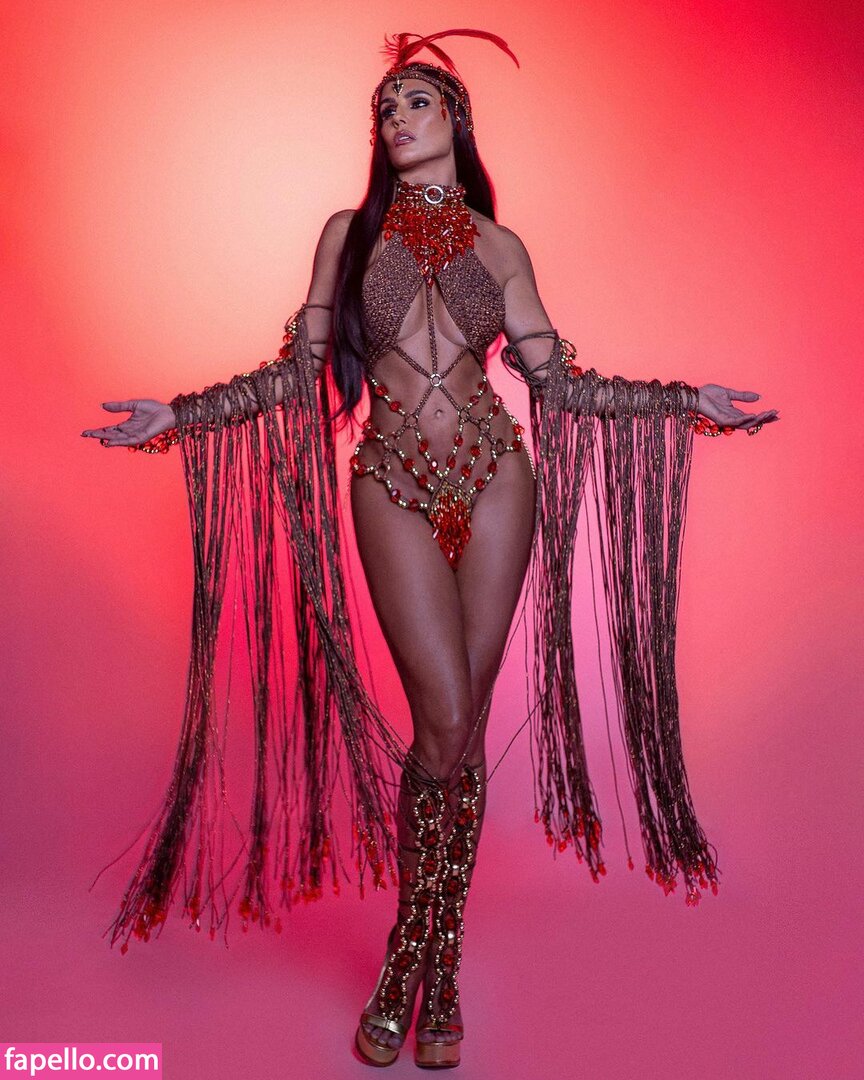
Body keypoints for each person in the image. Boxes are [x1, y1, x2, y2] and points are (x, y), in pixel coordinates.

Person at [81, 29, 779, 1070]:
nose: (397, 120)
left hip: (498, 482)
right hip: (391, 483)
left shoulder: (501, 247)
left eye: (415, 103)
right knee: (444, 719)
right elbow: (298, 374)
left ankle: (435, 963)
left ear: (455, 120)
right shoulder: (349, 235)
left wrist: (686, 402)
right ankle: (412, 946)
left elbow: (561, 386)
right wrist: (179, 417)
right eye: (385, 110)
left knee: (464, 729)